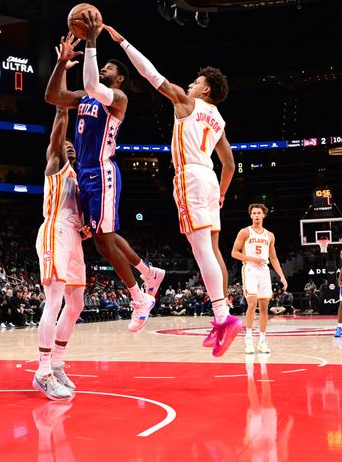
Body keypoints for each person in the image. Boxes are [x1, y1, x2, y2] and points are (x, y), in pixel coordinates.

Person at [103, 23, 241, 356]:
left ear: (205, 90)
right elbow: (230, 164)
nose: (191, 84)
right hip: (209, 179)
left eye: (197, 82)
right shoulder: (218, 118)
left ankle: (223, 316)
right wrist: (221, 193)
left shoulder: (186, 102)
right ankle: (221, 316)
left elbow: (152, 75)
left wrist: (124, 43)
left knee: (200, 249)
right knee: (209, 247)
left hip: (191, 177)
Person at [44, 29, 162, 333]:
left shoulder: (117, 99)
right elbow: (53, 97)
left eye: (110, 68)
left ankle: (139, 297)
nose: (105, 70)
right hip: (84, 174)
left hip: (100, 172)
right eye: (104, 66)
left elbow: (92, 84)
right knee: (101, 237)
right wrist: (61, 64)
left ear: (119, 79)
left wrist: (93, 39)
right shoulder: (85, 97)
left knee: (104, 243)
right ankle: (147, 273)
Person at [34, 48, 92, 399]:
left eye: (73, 146)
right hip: (54, 232)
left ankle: (57, 363)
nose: (69, 146)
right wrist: (61, 67)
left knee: (78, 303)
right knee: (53, 299)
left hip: (73, 237)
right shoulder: (56, 162)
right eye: (64, 145)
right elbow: (60, 109)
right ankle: (42, 372)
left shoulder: (80, 176)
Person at [231, 204, 288, 354]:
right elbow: (234, 252)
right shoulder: (245, 232)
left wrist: (282, 276)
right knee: (252, 304)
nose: (256, 215)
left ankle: (262, 341)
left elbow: (274, 258)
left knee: (264, 308)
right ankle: (248, 340)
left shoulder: (269, 235)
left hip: (264, 271)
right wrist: (251, 259)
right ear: (250, 216)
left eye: (259, 213)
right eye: (254, 213)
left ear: (264, 215)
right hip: (250, 269)